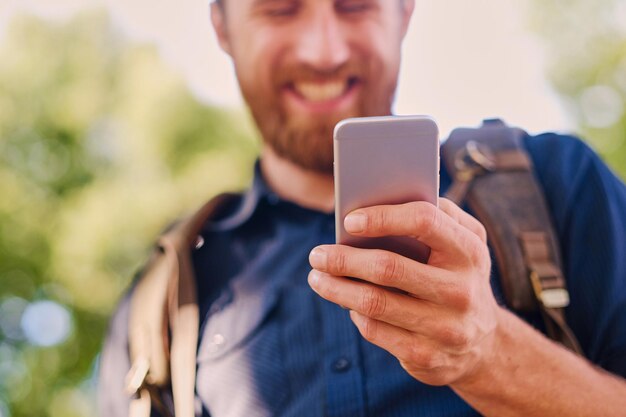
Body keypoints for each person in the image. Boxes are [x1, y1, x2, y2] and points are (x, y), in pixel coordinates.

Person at [99, 0, 626, 416]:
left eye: (355, 5)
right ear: (222, 27)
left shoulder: (556, 182)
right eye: (279, 9)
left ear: (405, 13)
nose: (323, 51)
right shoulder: (165, 297)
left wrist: (488, 354)